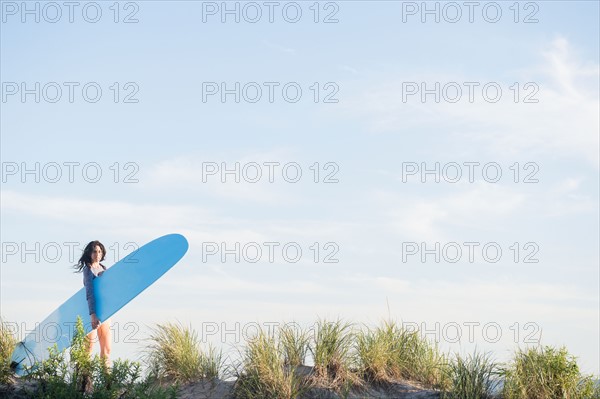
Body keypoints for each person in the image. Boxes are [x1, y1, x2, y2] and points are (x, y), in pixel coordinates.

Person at [74, 240, 112, 368]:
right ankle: (85, 384)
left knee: (107, 350)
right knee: (88, 350)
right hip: (91, 313)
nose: (97, 254)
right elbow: (89, 293)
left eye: (100, 251)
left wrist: (105, 276)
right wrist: (93, 315)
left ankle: (108, 386)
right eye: (95, 251)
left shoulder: (104, 269)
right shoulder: (88, 270)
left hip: (105, 313)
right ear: (90, 253)